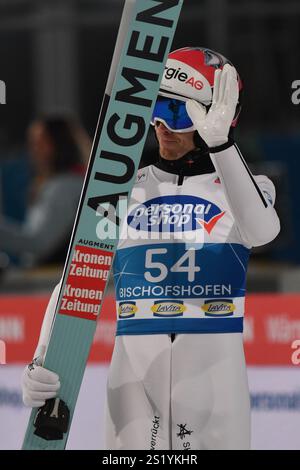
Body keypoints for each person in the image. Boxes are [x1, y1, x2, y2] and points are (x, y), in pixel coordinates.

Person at [21, 47, 280, 450]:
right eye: (155, 108)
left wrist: (222, 146)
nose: (162, 125)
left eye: (178, 113)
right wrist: (42, 357)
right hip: (134, 378)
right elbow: (79, 276)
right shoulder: (121, 192)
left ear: (219, 116)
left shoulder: (248, 187)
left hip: (214, 378)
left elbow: (262, 232)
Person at [0, 116, 90, 267]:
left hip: (54, 283)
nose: (33, 150)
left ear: (58, 144)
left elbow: (39, 243)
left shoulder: (66, 187)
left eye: (39, 143)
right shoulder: (60, 183)